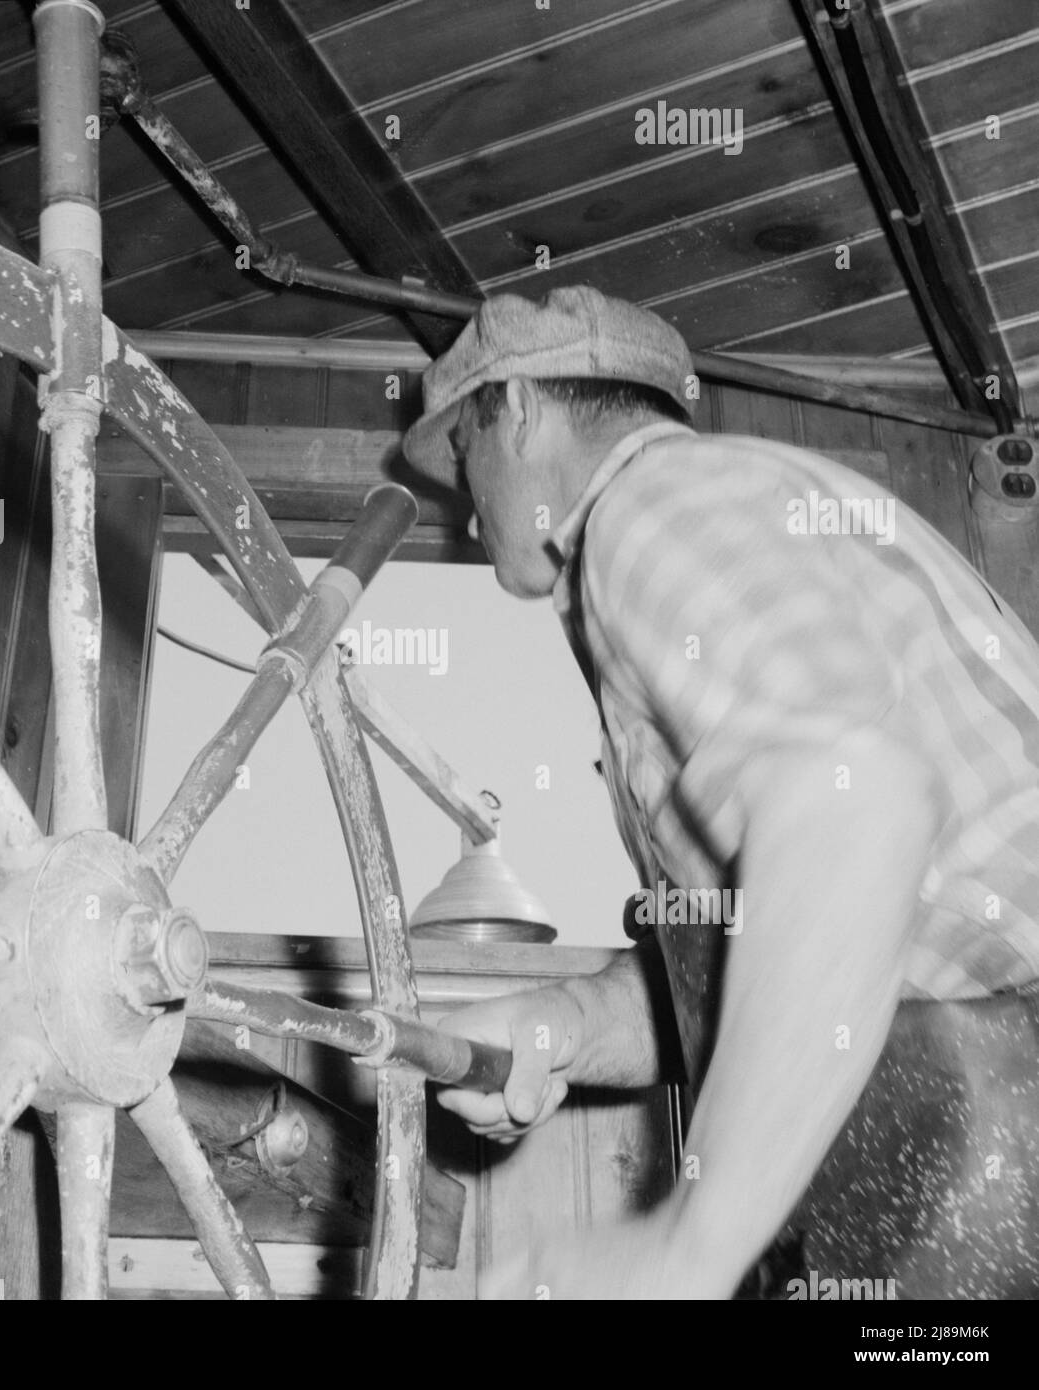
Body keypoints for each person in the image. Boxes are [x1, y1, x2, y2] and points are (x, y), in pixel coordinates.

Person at [401, 285, 1039, 1299]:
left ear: (516, 405)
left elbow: (853, 805)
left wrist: (686, 1248)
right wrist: (565, 1021)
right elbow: (796, 939)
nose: (469, 514)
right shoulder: (734, 514)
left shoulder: (651, 508)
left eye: (460, 455)